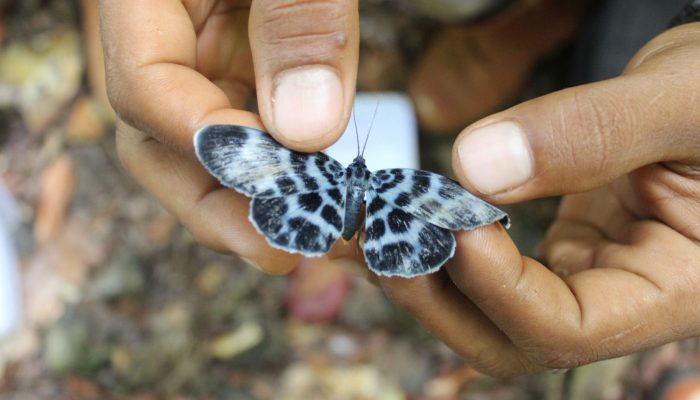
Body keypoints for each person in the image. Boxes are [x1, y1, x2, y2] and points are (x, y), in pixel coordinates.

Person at [98, 0, 700, 376]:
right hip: (391, 200)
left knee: (615, 60)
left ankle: (535, 17)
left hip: (320, 196)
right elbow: (454, 203)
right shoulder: (405, 184)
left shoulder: (334, 167)